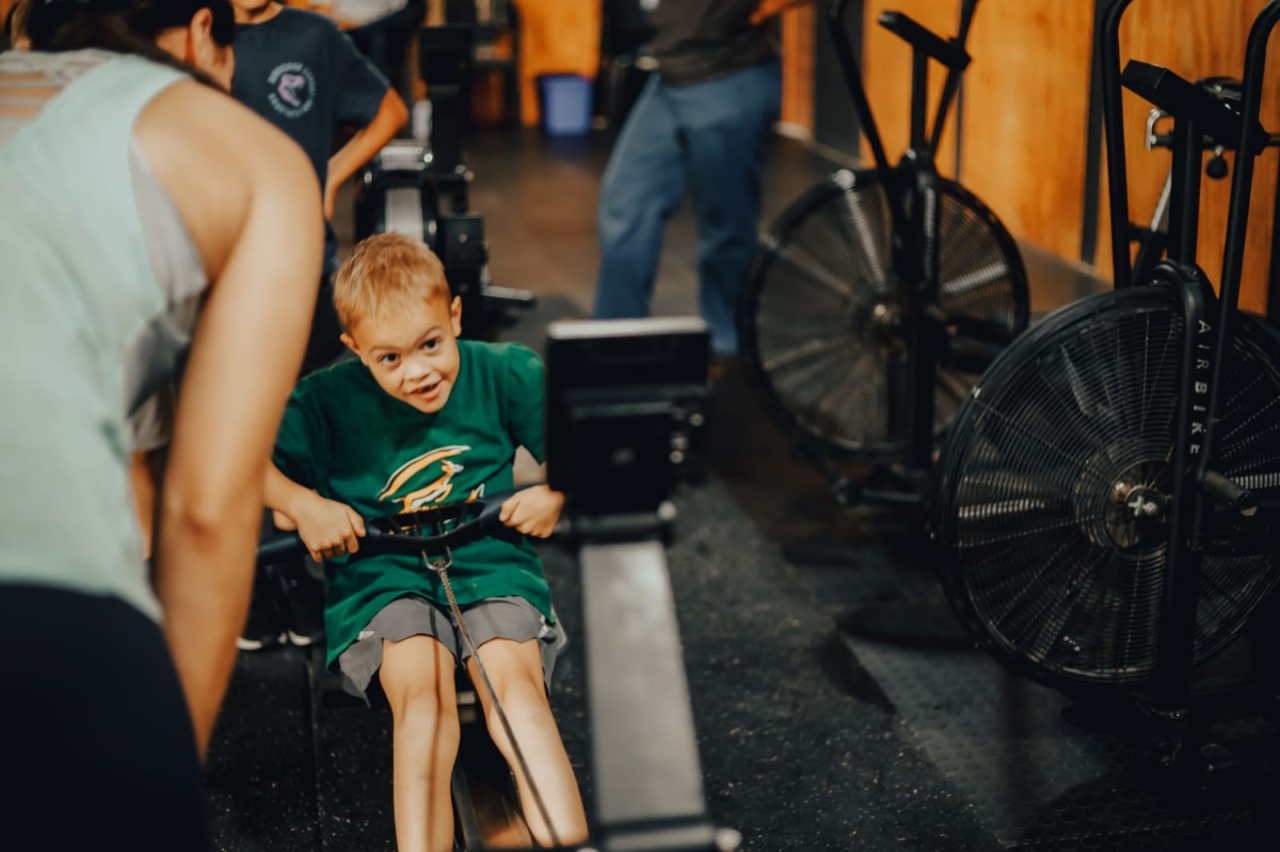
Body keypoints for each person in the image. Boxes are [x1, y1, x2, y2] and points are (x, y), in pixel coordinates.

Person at [0, 0, 323, 847]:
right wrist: (159, 767)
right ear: (204, 33)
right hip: (46, 617)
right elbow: (206, 513)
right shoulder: (247, 154)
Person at [263, 231, 589, 852]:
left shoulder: (506, 373)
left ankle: (571, 843)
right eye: (389, 359)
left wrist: (557, 493)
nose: (417, 372)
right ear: (355, 349)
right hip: (382, 572)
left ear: (455, 316)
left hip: (490, 560)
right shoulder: (322, 401)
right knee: (424, 706)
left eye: (431, 345)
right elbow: (241, 461)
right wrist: (302, 506)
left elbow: (583, 447)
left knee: (517, 697)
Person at [591, 0, 812, 361]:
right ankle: (613, 340)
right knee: (625, 204)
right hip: (669, 78)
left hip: (729, 76)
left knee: (725, 227)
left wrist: (758, 8)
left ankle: (728, 347)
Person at [229, 0, 408, 377]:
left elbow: (390, 113)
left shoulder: (315, 35)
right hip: (225, 259)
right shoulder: (194, 38)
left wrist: (331, 175)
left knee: (306, 384)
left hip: (302, 252)